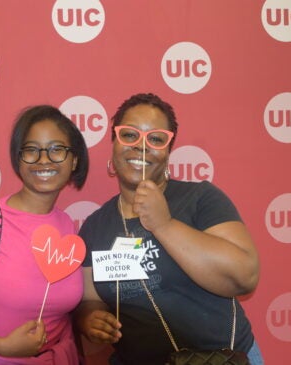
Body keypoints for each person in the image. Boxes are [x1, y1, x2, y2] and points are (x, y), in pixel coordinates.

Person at [74, 93, 264, 365]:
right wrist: (89, 318)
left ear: (168, 150)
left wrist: (165, 225)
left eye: (156, 138)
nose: (141, 146)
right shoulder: (95, 226)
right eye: (129, 135)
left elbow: (245, 276)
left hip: (220, 359)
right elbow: (90, 299)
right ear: (114, 142)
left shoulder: (200, 198)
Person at [0, 105, 89, 364]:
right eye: (31, 150)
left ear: (74, 160)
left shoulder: (67, 225)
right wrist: (3, 346)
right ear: (18, 159)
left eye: (56, 149)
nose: (44, 160)